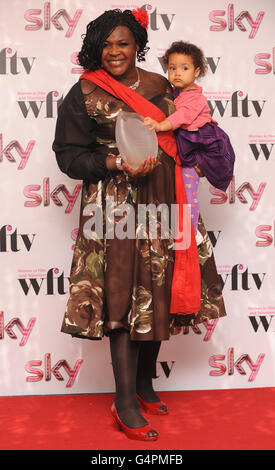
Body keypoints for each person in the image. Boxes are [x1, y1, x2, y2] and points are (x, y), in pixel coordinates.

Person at [52, 10, 226, 442]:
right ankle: (124, 399)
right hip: (113, 206)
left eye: (123, 43)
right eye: (107, 44)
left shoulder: (162, 85)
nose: (115, 51)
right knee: (122, 295)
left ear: (137, 46)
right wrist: (113, 162)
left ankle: (146, 385)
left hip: (165, 195)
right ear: (96, 47)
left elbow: (190, 128)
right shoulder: (84, 92)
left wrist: (200, 157)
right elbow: (68, 156)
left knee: (157, 286)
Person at [144, 41, 235, 243]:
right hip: (191, 147)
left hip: (205, 147)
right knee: (179, 190)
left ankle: (191, 231)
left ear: (196, 72)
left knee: (187, 189)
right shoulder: (176, 94)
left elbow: (182, 117)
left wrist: (160, 126)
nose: (177, 73)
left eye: (184, 68)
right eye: (172, 68)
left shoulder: (194, 98)